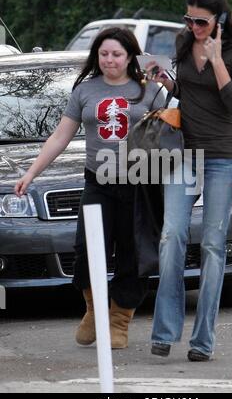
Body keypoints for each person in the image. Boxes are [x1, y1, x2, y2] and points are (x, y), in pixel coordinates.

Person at [14, 27, 165, 349]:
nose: (110, 60)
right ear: (97, 56)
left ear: (130, 57)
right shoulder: (85, 90)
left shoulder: (150, 89)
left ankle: (120, 320)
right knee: (86, 248)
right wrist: (31, 173)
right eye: (104, 54)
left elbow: (167, 135)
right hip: (98, 183)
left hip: (139, 184)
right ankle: (94, 310)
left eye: (117, 54)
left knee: (133, 253)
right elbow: (60, 136)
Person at [146, 0, 232, 361]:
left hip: (223, 156)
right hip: (183, 153)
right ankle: (164, 331)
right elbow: (187, 93)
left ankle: (203, 340)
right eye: (188, 18)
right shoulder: (182, 43)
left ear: (220, 20)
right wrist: (168, 83)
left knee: (212, 245)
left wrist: (217, 60)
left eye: (200, 21)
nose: (193, 26)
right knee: (172, 235)